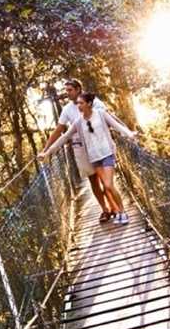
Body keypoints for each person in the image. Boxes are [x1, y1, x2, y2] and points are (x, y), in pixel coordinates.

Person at [39, 92, 137, 224]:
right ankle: (119, 213)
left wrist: (129, 134)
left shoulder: (101, 114)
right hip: (94, 158)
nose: (78, 105)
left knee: (108, 185)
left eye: (81, 103)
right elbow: (65, 137)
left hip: (107, 153)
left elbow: (116, 125)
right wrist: (47, 152)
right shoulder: (78, 122)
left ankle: (122, 212)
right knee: (107, 186)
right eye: (77, 103)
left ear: (89, 104)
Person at [42, 79, 116, 222]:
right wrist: (45, 150)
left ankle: (114, 207)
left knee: (104, 179)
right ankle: (105, 210)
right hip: (80, 149)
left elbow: (108, 118)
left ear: (78, 89)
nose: (67, 93)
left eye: (70, 90)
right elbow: (59, 131)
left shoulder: (94, 102)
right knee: (93, 180)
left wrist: (125, 131)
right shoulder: (67, 109)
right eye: (66, 90)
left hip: (97, 146)